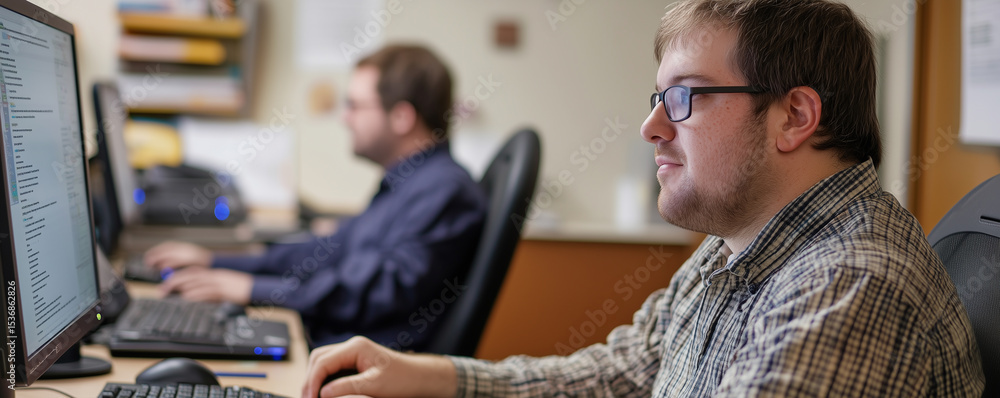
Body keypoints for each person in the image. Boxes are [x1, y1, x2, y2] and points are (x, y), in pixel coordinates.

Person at [300, 1, 986, 396]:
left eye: (683, 96)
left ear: (794, 116)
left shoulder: (850, 283)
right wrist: (425, 377)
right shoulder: (741, 242)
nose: (651, 126)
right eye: (657, 97)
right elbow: (624, 370)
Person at [144, 44, 488, 350]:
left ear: (401, 117)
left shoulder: (444, 191)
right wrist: (216, 262)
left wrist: (253, 289)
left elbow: (371, 291)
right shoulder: (407, 184)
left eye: (354, 105)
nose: (344, 117)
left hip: (360, 370)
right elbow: (325, 252)